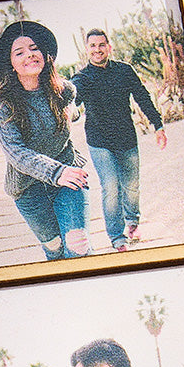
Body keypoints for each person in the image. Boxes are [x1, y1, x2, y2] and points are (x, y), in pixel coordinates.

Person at [0, 20, 91, 261]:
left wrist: (71, 113)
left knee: (79, 246)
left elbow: (71, 111)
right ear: (10, 64)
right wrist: (56, 172)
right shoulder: (0, 104)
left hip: (69, 176)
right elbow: (16, 153)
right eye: (19, 52)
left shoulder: (64, 90)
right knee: (55, 250)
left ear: (45, 54)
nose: (30, 55)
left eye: (34, 48)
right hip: (29, 189)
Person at [71, 29, 167, 252]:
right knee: (111, 186)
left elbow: (142, 96)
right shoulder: (83, 78)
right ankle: (116, 236)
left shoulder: (124, 71)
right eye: (92, 45)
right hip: (99, 141)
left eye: (101, 45)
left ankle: (132, 223)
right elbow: (72, 98)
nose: (97, 49)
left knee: (131, 186)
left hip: (126, 137)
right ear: (87, 50)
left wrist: (158, 125)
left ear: (109, 47)